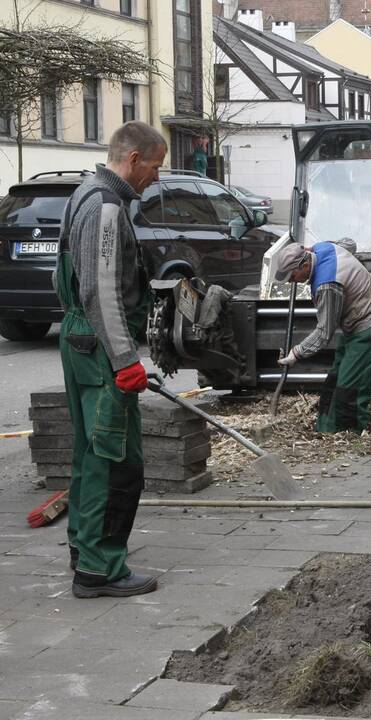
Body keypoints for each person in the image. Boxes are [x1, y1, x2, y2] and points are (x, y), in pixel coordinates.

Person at [55, 121, 167, 598]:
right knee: (114, 459)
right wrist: (125, 359)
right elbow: (100, 290)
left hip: (79, 338)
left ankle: (84, 548)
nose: (156, 180)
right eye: (156, 168)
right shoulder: (105, 207)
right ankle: (100, 570)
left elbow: (66, 280)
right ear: (134, 159)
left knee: (88, 452)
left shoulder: (84, 192)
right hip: (100, 350)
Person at [274, 240, 371, 434]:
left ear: (305, 265)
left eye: (293, 275)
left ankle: (349, 435)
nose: (291, 281)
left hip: (369, 325)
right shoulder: (322, 248)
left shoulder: (327, 285)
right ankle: (326, 430)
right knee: (334, 381)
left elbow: (324, 332)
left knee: (351, 387)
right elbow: (350, 244)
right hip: (353, 323)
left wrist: (296, 354)